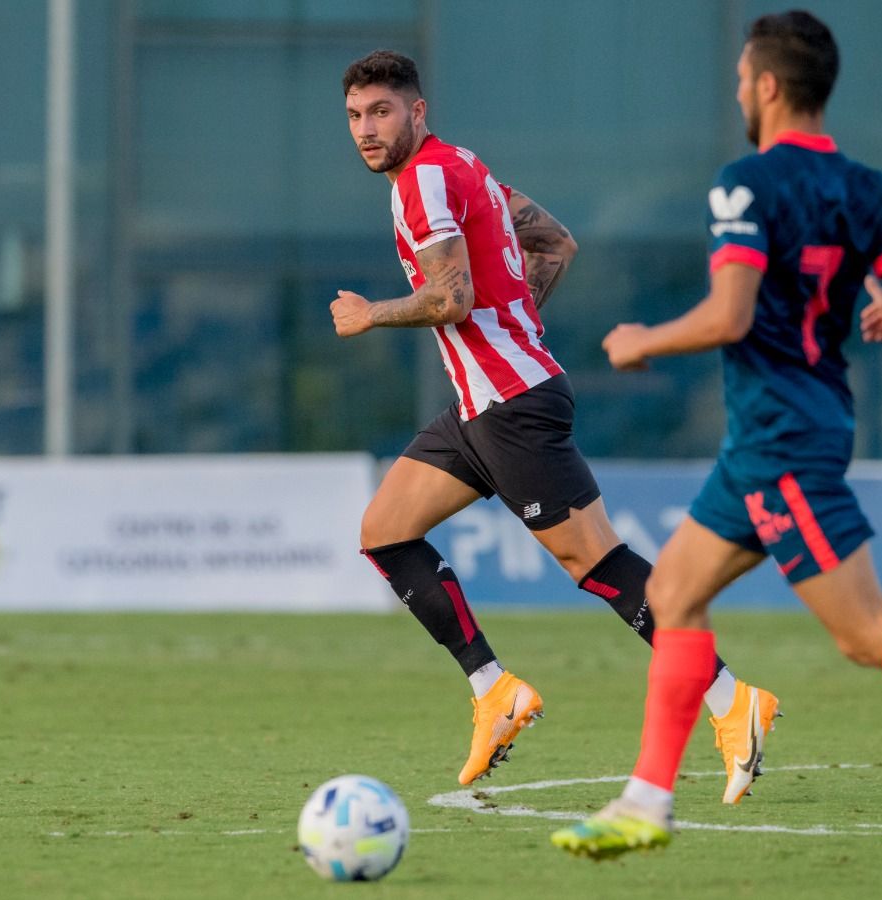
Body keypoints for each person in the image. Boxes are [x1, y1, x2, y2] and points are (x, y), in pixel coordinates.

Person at [551, 11, 882, 858]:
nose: (737, 89)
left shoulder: (744, 183)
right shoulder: (871, 188)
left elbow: (732, 314)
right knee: (673, 595)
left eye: (741, 77)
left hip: (781, 438)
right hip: (786, 434)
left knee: (865, 632)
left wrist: (643, 340)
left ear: (768, 86)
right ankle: (646, 803)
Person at [334, 50, 779, 791]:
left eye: (381, 111)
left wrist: (371, 315)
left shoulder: (424, 181)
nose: (366, 129)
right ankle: (494, 691)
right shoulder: (461, 167)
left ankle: (732, 700)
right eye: (354, 116)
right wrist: (510, 325)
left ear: (418, 112)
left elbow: (450, 298)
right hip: (483, 405)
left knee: (597, 563)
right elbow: (554, 243)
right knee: (384, 531)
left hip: (513, 407)